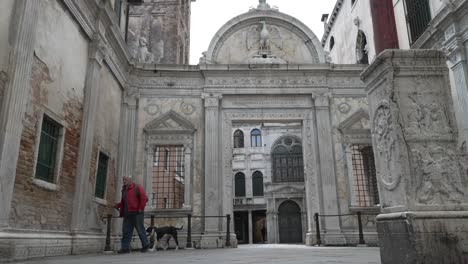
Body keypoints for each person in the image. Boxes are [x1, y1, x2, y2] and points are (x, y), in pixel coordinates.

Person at [115, 176, 149, 253]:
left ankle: (145, 245)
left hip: (137, 213)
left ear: (130, 180)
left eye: (126, 179)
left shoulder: (137, 187)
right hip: (127, 214)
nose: (124, 181)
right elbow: (125, 202)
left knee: (140, 229)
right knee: (126, 231)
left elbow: (144, 198)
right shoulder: (123, 190)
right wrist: (118, 205)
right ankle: (125, 248)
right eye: (123, 179)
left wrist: (140, 209)